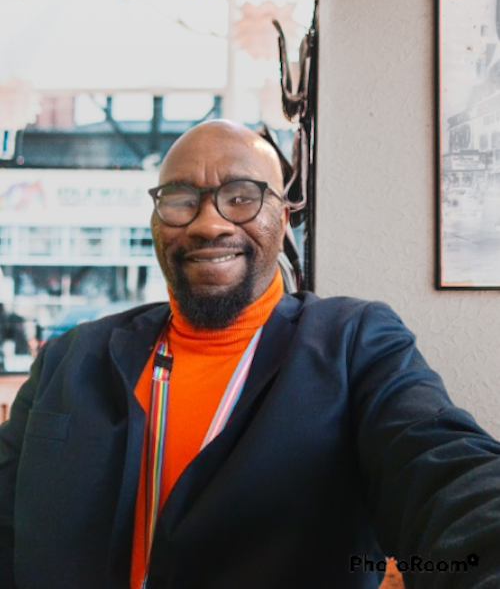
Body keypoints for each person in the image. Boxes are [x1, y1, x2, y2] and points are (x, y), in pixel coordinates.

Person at [1, 120, 500, 589]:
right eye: (180, 199)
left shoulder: (354, 343)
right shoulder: (70, 358)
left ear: (282, 219)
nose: (208, 224)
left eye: (241, 197)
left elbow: (444, 466)